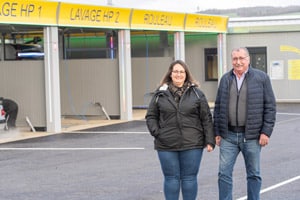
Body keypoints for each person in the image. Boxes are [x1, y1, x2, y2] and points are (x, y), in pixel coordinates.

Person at [145, 60, 215, 200]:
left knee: (189, 178)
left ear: (186, 74)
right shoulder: (160, 94)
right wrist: (157, 133)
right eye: (175, 71)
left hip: (192, 143)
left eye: (181, 72)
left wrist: (210, 140)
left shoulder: (197, 93)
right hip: (166, 144)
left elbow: (206, 118)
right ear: (170, 74)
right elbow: (151, 116)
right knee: (171, 178)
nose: (178, 74)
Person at [213, 47, 276, 200]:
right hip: (228, 135)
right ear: (232, 60)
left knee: (253, 174)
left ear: (248, 59)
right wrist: (217, 132)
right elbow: (219, 106)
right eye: (235, 58)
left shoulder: (261, 78)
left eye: (241, 58)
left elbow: (270, 106)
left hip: (252, 136)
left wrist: (266, 132)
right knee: (224, 173)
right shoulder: (225, 79)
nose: (238, 62)